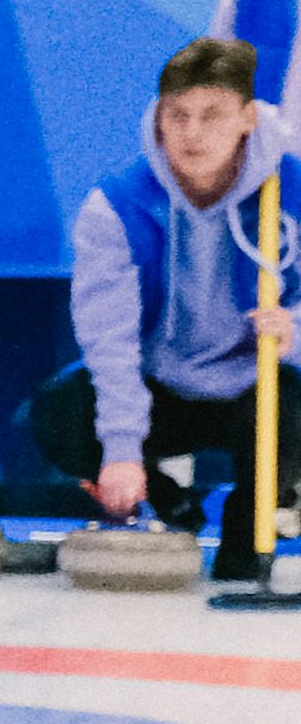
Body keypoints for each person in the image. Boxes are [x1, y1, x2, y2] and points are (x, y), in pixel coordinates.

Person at [44, 35, 298, 574]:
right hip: (164, 384)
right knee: (55, 415)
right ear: (158, 118)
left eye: (212, 115)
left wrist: (295, 327)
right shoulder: (117, 206)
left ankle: (246, 544)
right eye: (177, 115)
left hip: (264, 384)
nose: (193, 133)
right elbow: (108, 341)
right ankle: (170, 506)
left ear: (248, 119)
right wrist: (121, 452)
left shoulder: (293, 192)